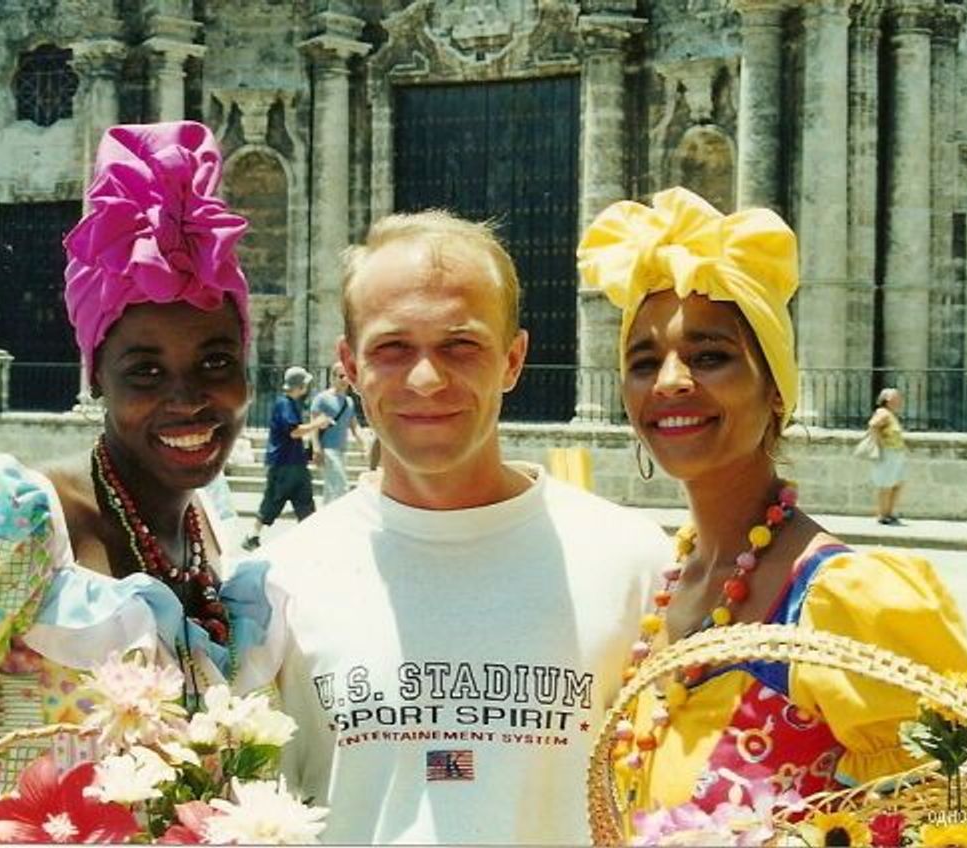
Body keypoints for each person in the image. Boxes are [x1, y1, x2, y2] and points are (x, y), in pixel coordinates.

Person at [0, 121, 270, 834]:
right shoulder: (10, 521)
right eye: (146, 371)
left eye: (216, 362)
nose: (188, 398)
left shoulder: (210, 525)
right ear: (94, 373)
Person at [238, 210, 671, 844]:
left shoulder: (636, 565)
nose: (425, 378)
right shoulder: (279, 580)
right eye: (392, 348)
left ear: (513, 360)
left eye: (459, 345)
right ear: (350, 367)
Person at [576, 188, 967, 837]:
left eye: (710, 356)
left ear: (775, 390)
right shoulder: (665, 582)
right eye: (643, 362)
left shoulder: (850, 604)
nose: (670, 381)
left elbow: (952, 822)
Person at [240, 366, 328, 551]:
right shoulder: (284, 404)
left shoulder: (290, 404)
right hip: (284, 463)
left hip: (294, 461)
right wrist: (317, 424)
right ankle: (252, 536)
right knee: (272, 499)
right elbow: (294, 432)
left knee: (304, 501)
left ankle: (310, 539)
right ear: (301, 385)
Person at [309, 361, 365, 503]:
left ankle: (327, 520)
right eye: (341, 376)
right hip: (327, 449)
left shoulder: (349, 401)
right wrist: (316, 448)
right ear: (332, 378)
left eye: (347, 376)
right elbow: (313, 425)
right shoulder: (322, 399)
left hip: (341, 450)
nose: (345, 380)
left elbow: (354, 426)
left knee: (332, 489)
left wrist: (363, 444)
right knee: (341, 487)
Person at [868, 386, 907, 524]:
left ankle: (889, 513)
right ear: (887, 400)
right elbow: (873, 425)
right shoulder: (883, 413)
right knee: (886, 484)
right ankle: (882, 515)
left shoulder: (890, 414)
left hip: (895, 453)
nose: (899, 400)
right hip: (888, 452)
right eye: (896, 398)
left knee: (896, 484)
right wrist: (879, 444)